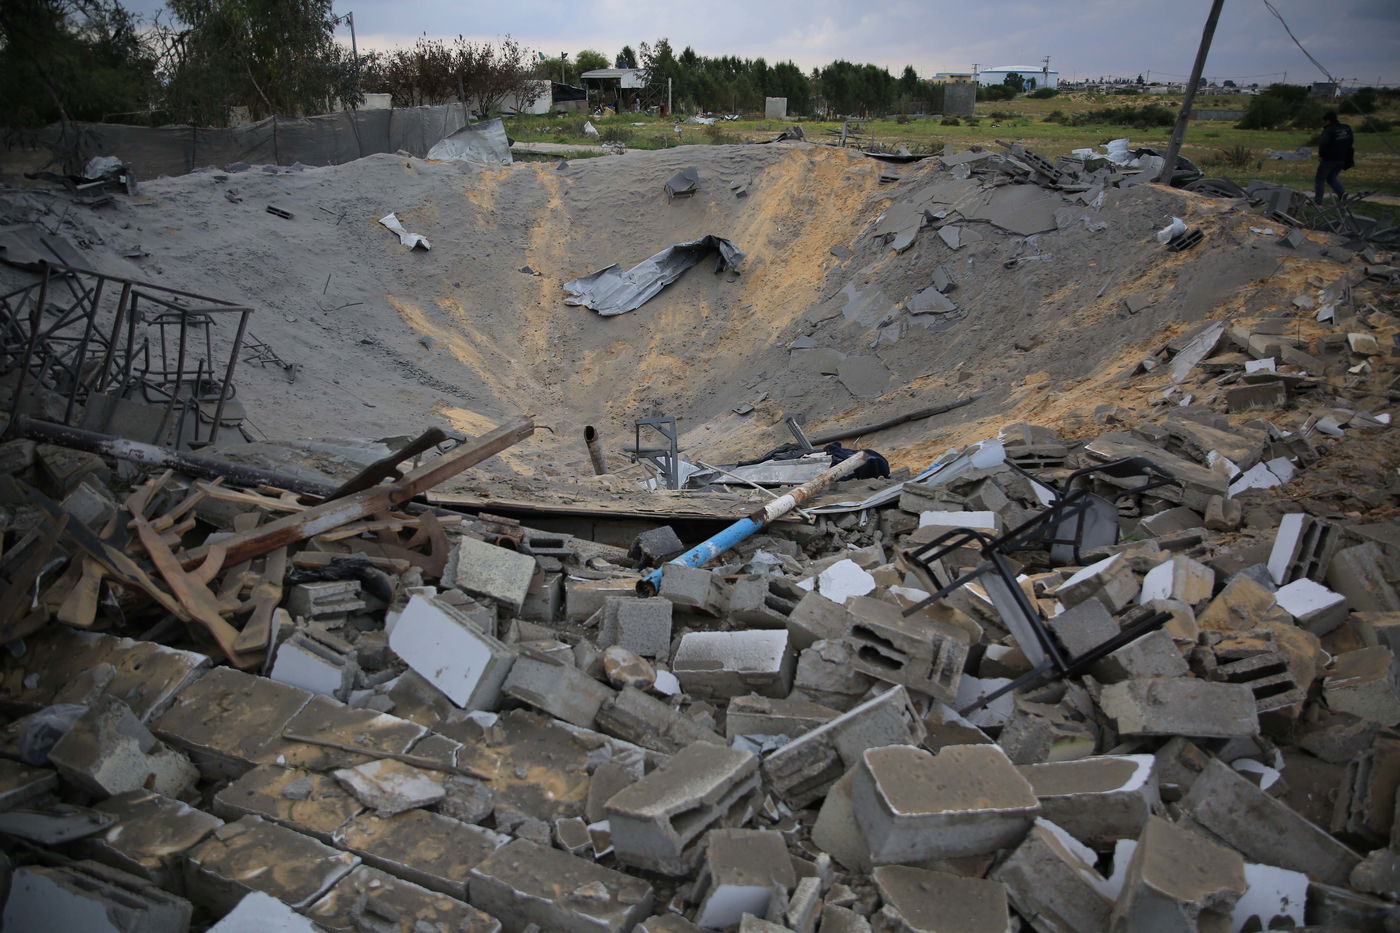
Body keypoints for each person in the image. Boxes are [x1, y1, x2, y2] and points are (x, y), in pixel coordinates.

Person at [1315, 111, 1354, 206]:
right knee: (1331, 178)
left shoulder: (1329, 130)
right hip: (1342, 159)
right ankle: (1342, 194)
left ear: (1328, 121)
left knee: (1320, 179)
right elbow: (1351, 142)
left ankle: (1318, 202)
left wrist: (1321, 156)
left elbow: (1323, 144)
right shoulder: (1346, 128)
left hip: (1329, 159)